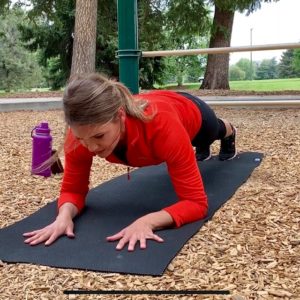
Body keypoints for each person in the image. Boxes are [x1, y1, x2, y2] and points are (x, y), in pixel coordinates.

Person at [23, 73, 237, 251]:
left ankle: (230, 130)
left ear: (120, 116)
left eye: (99, 137)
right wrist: (64, 216)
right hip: (159, 110)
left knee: (214, 132)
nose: (91, 148)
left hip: (190, 110)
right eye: (81, 138)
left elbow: (197, 204)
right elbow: (73, 190)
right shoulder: (82, 133)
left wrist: (147, 221)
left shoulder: (161, 126)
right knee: (189, 149)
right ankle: (197, 147)